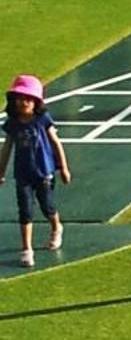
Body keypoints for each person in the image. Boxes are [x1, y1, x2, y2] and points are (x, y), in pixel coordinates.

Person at [0, 75, 67, 266]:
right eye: (20, 99)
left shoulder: (42, 120)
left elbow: (55, 143)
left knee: (47, 206)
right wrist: (1, 171)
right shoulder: (12, 123)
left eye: (28, 99)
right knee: (25, 211)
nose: (23, 103)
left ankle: (56, 227)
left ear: (36, 102)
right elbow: (6, 148)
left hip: (44, 172)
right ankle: (27, 249)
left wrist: (63, 167)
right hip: (23, 174)